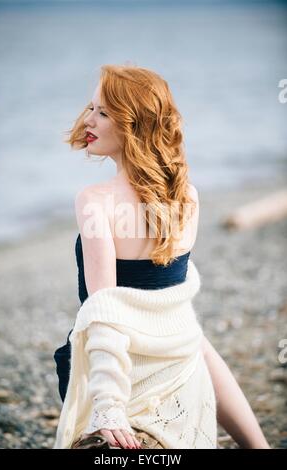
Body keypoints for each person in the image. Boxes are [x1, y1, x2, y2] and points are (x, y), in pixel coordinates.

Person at [54, 64, 271, 450]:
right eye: (91, 107)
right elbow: (169, 303)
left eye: (104, 112)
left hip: (116, 370)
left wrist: (108, 407)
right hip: (181, 363)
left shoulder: (94, 201)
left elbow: (105, 313)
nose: (88, 119)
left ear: (134, 126)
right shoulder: (187, 195)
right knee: (195, 340)